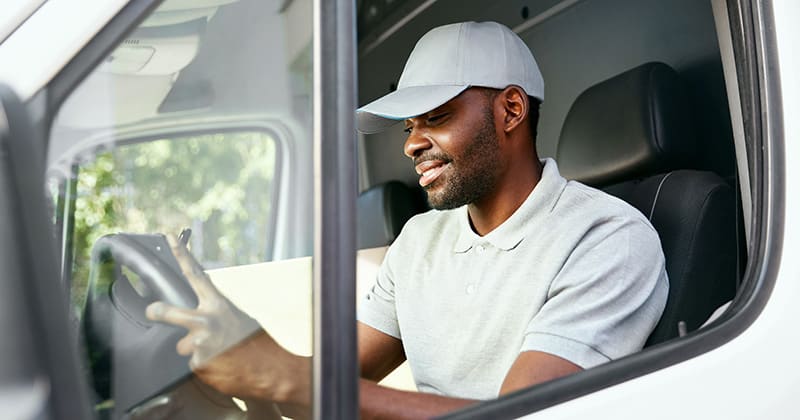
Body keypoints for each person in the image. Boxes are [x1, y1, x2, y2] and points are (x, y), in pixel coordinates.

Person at [146, 21, 668, 419]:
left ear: (510, 110)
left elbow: (524, 415)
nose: (413, 143)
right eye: (409, 126)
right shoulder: (419, 240)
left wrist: (287, 379)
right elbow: (330, 385)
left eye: (436, 117)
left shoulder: (607, 239)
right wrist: (244, 365)